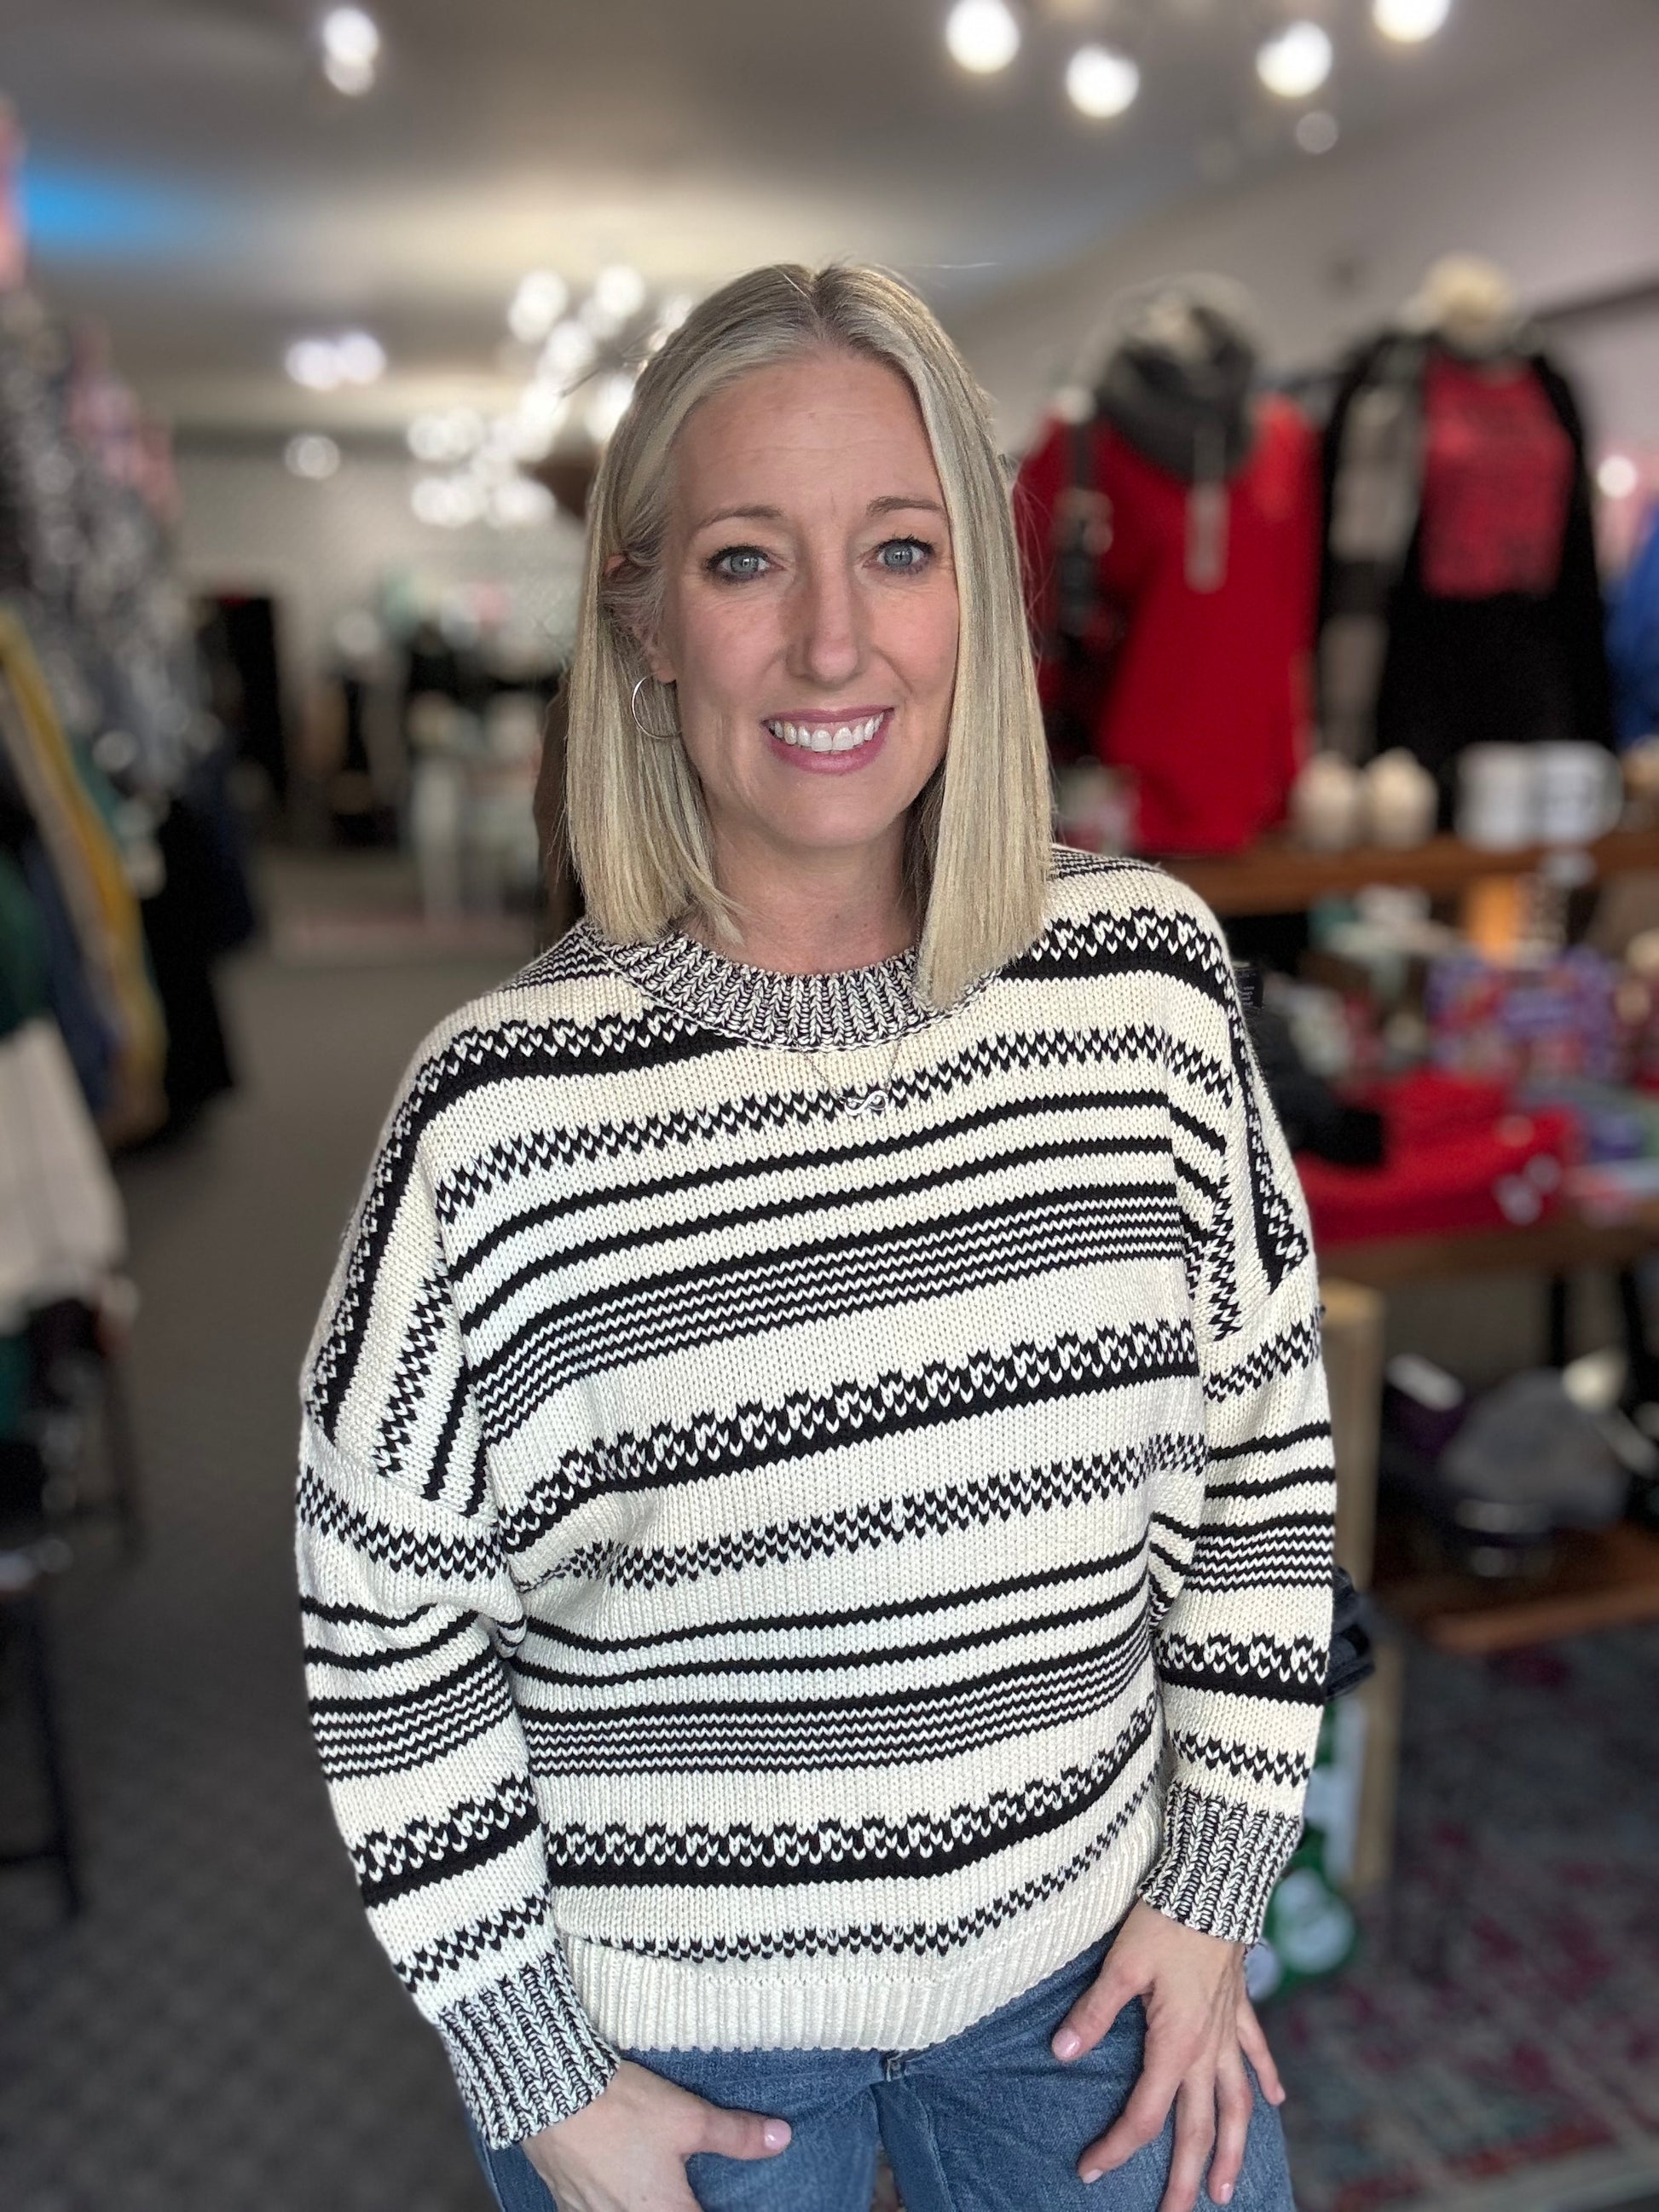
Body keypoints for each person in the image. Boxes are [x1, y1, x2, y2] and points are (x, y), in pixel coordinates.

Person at [296, 263, 1335, 2212]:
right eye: (748, 560)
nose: (836, 641)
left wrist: (1214, 1890)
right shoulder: (498, 1111)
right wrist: (535, 2072)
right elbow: (381, 1619)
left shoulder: (1148, 986)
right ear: (643, 617)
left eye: (901, 549)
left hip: (1091, 1963)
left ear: (980, 595)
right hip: (672, 2033)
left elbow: (1263, 1468)